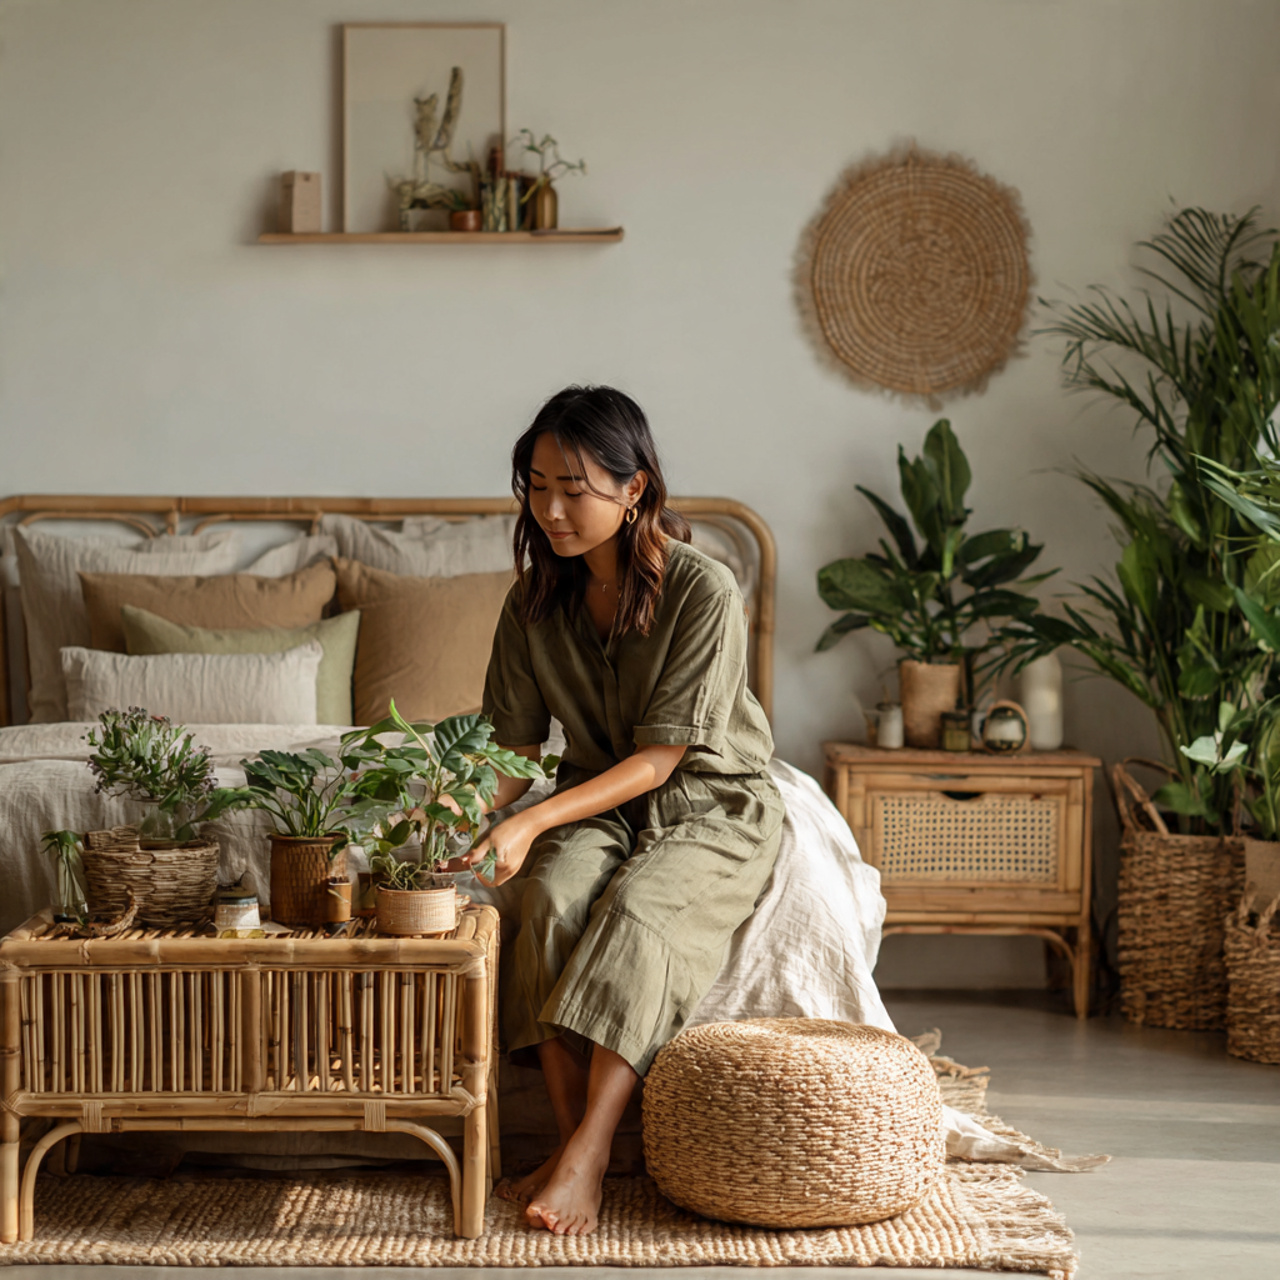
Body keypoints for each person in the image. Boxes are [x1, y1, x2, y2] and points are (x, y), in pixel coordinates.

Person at [450, 385, 784, 1236]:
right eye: (536, 485)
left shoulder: (705, 588)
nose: (551, 508)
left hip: (711, 799)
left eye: (574, 487)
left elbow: (663, 757)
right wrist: (458, 821)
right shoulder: (530, 603)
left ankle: (593, 1150)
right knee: (551, 900)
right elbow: (514, 753)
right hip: (599, 793)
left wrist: (529, 822)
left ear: (634, 489)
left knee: (639, 908)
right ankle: (570, 1143)